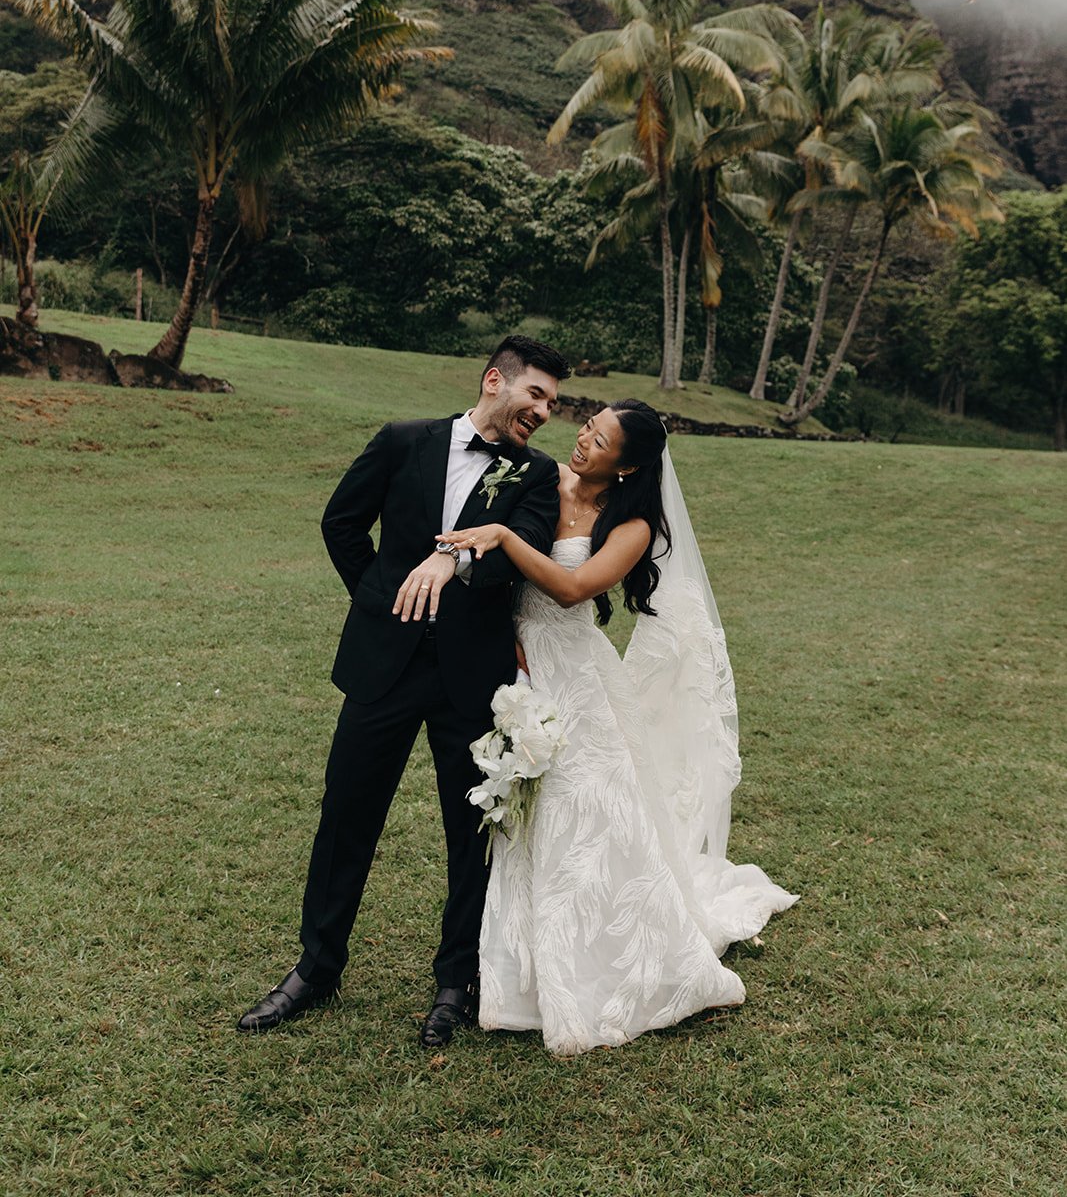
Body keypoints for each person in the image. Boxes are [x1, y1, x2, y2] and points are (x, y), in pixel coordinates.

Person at [237, 335, 571, 1045]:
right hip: (382, 663)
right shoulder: (401, 441)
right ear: (493, 380)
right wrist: (381, 598)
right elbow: (342, 523)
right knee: (345, 819)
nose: (544, 411)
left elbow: (525, 552)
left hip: (471, 679)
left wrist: (455, 562)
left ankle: (456, 982)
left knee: (471, 834)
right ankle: (316, 970)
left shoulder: (534, 475)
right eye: (535, 394)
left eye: (552, 402)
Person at [441, 399, 798, 1056]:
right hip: (512, 659)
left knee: (589, 812)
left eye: (598, 439)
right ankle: (511, 969)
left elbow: (575, 590)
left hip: (575, 671)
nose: (581, 441)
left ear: (627, 463)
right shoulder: (540, 478)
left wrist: (506, 540)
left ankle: (614, 964)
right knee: (522, 811)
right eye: (585, 428)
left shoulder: (631, 524)